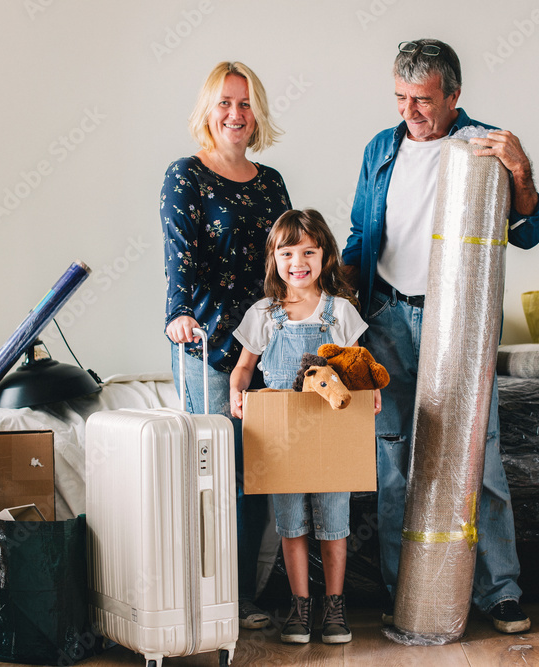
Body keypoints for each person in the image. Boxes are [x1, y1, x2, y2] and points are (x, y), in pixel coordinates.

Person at [341, 38, 539, 634]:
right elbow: (360, 235)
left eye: (423, 100)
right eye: (401, 98)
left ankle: (501, 593)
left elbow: (528, 230)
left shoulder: (484, 147)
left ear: (455, 96)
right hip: (386, 321)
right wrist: (341, 312)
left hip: (457, 323)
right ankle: (403, 592)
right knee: (394, 462)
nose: (410, 112)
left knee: (477, 457)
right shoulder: (381, 148)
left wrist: (521, 170)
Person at [161, 61, 291, 630]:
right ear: (207, 112)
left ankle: (244, 596)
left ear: (256, 112)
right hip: (210, 346)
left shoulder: (272, 183)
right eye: (224, 103)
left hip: (268, 345)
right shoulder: (185, 175)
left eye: (244, 103)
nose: (235, 114)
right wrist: (179, 317)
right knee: (212, 477)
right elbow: (179, 262)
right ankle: (206, 600)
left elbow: (288, 264)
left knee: (261, 475)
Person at [229, 209, 381, 644]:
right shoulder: (264, 314)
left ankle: (335, 608)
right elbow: (243, 369)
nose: (299, 261)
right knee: (291, 524)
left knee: (334, 524)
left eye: (309, 251)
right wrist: (237, 392)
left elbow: (359, 369)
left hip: (331, 433)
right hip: (281, 438)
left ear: (325, 256)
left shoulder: (341, 313)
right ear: (274, 258)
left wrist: (372, 393)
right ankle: (300, 609)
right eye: (288, 251)